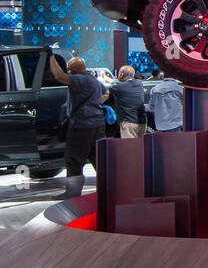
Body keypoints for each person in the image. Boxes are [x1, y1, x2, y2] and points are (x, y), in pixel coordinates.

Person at [49, 54, 105, 191]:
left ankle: (72, 194)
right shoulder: (93, 79)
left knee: (74, 160)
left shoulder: (79, 79)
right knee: (98, 159)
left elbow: (59, 76)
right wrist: (95, 104)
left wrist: (50, 57)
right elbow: (106, 93)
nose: (68, 71)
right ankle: (108, 191)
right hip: (97, 124)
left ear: (73, 69)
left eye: (69, 68)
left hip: (82, 125)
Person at [107, 65, 146, 138]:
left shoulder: (119, 86)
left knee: (129, 147)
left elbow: (108, 89)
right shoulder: (139, 84)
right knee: (140, 147)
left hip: (128, 122)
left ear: (121, 74)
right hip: (142, 121)